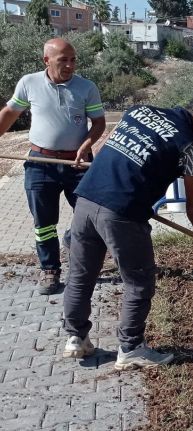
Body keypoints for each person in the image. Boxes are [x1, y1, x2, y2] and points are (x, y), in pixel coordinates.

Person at [62, 95, 193, 370]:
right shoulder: (190, 147)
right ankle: (131, 348)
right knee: (139, 282)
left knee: (81, 275)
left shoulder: (138, 112)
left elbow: (109, 149)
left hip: (86, 200)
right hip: (123, 212)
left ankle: (76, 338)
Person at [0, 38, 106, 294]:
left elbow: (99, 123)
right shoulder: (29, 83)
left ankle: (75, 245)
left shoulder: (86, 87)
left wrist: (87, 144)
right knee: (44, 223)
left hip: (78, 164)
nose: (70, 65)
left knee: (91, 218)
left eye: (73, 60)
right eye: (63, 60)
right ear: (46, 60)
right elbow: (10, 113)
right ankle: (50, 269)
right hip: (40, 163)